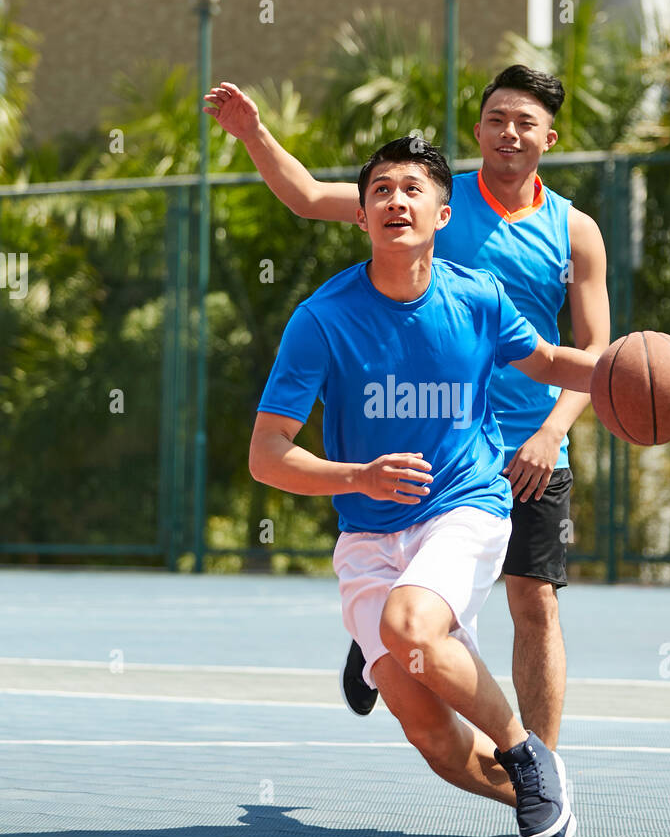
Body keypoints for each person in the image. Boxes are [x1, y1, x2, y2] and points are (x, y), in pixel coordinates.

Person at [209, 65, 609, 750]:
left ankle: (542, 766)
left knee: (534, 602)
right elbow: (306, 195)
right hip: (434, 437)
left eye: (524, 121)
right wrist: (252, 133)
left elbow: (593, 353)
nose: (508, 132)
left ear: (550, 135)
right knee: (413, 583)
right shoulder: (424, 198)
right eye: (495, 120)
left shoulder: (575, 231)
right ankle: (388, 629)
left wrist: (551, 431)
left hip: (531, 443)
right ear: (478, 130)